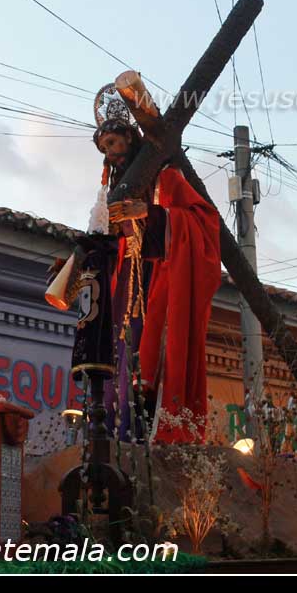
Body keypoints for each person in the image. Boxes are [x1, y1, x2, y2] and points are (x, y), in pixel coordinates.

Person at [91, 117, 221, 443]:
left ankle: (151, 432)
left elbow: (202, 222)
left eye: (113, 143)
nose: (110, 153)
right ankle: (119, 433)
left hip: (161, 281)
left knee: (151, 358)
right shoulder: (116, 193)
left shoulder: (167, 177)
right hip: (127, 287)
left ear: (130, 137)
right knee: (123, 357)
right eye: (104, 149)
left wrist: (148, 212)